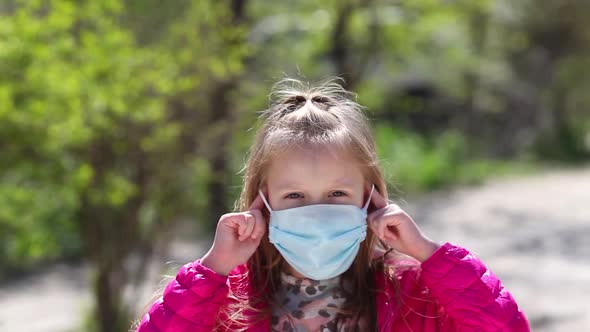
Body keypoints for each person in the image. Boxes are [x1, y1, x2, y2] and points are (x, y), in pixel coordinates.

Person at [135, 78, 530, 331]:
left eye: (337, 194)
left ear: (370, 199)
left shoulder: (413, 291)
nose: (317, 210)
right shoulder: (227, 300)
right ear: (262, 203)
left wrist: (429, 255)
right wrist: (213, 269)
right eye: (294, 197)